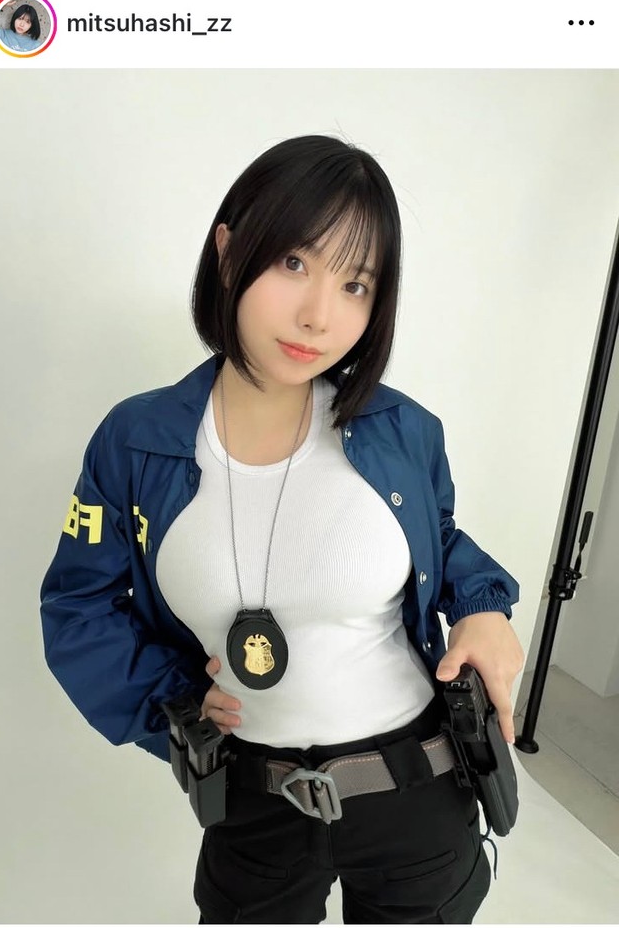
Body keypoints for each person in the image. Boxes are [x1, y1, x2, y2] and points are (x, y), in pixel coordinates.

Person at [40, 134, 523, 924]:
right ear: (230, 251)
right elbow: (79, 606)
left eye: (355, 283)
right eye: (294, 262)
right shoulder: (136, 443)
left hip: (418, 793)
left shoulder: (403, 431)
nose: (318, 316)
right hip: (253, 804)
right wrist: (171, 701)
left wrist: (485, 606)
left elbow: (438, 540)